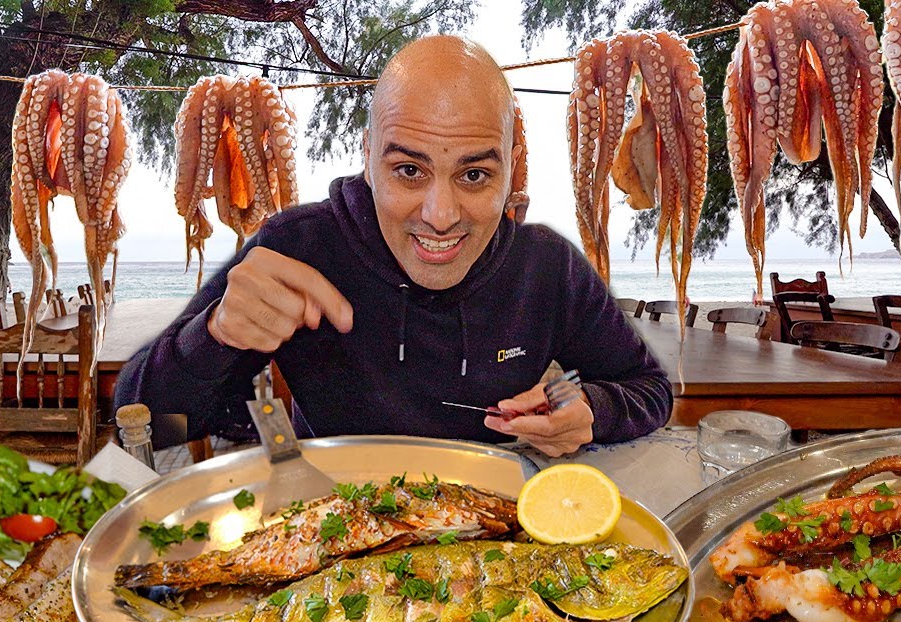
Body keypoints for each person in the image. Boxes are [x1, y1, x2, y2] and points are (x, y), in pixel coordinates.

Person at [115, 35, 672, 457]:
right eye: (409, 169)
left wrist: (592, 412)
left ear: (509, 174)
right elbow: (149, 425)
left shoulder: (547, 267)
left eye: (474, 175)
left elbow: (651, 390)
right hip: (336, 541)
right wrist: (213, 336)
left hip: (494, 548)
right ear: (368, 156)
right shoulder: (297, 247)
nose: (440, 215)